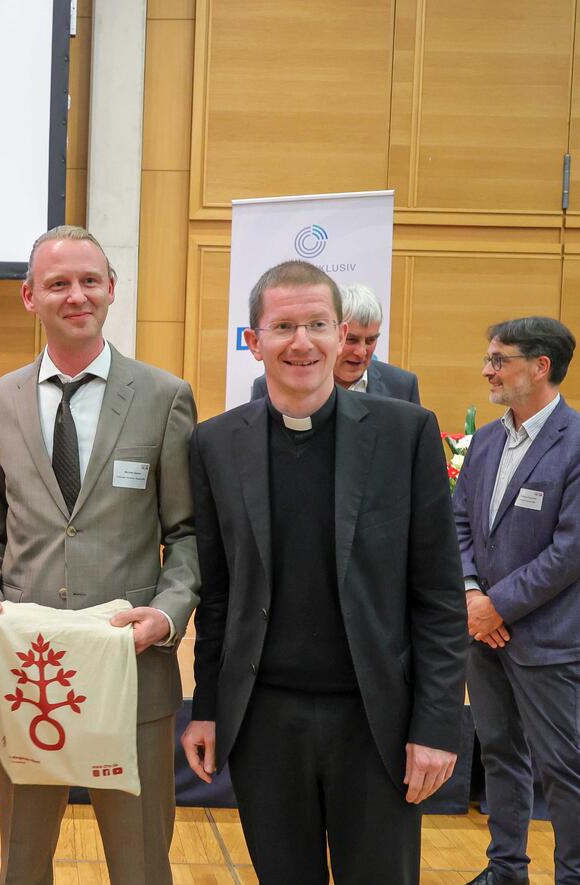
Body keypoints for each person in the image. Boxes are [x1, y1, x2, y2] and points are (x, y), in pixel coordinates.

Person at [182, 259, 467, 885]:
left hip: (377, 722)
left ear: (342, 336)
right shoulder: (215, 444)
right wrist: (206, 708)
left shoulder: (406, 434)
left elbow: (440, 596)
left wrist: (438, 724)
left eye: (317, 324)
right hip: (263, 724)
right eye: (283, 326)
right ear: (253, 341)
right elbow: (218, 594)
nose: (302, 342)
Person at [0, 225, 199, 885]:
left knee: (142, 865)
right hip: (29, 679)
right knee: (21, 865)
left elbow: (188, 533)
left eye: (90, 280)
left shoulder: (164, 397)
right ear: (29, 297)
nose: (76, 295)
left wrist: (168, 613)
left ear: (111, 289)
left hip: (134, 672)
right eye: (58, 283)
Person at [453, 317, 580, 885]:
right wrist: (471, 594)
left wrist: (496, 606)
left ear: (540, 366)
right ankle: (505, 870)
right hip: (483, 631)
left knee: (564, 767)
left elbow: (570, 551)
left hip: (547, 639)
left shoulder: (575, 442)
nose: (487, 370)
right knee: (499, 753)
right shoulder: (485, 440)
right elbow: (457, 522)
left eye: (499, 360)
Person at [250, 281, 420, 403]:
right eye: (351, 340)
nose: (361, 352)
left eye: (370, 341)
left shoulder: (402, 385)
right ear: (336, 336)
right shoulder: (270, 385)